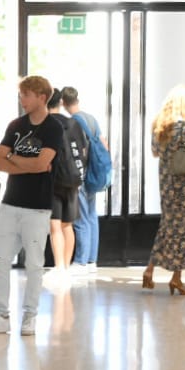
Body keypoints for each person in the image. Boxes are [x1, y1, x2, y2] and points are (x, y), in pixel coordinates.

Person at [0, 74, 63, 337]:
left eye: (26, 95)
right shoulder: (16, 125)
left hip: (38, 207)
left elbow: (42, 165)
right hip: (10, 204)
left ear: (41, 97)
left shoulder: (53, 128)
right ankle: (1, 314)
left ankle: (30, 316)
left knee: (34, 264)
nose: (22, 100)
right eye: (21, 95)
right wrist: (24, 161)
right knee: (1, 260)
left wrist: (15, 159)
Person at [143, 86, 185, 296]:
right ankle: (176, 278)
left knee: (167, 224)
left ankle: (150, 270)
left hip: (166, 182)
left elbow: (155, 152)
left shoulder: (159, 126)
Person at [63, 86, 105, 272]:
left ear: (63, 103)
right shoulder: (92, 119)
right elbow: (104, 144)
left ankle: (80, 260)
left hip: (81, 173)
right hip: (94, 173)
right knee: (92, 215)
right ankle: (91, 261)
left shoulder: (73, 122)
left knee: (80, 217)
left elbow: (78, 150)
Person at [46, 87, 88, 276]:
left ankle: (59, 267)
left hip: (54, 180)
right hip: (73, 179)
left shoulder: (46, 124)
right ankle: (67, 268)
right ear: (60, 102)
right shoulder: (73, 123)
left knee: (55, 226)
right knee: (68, 225)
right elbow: (83, 150)